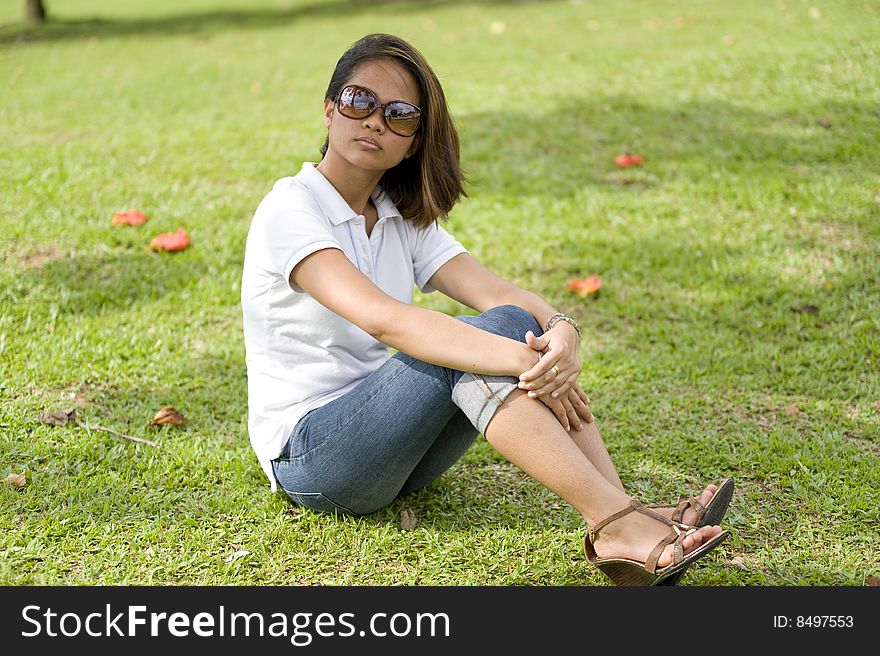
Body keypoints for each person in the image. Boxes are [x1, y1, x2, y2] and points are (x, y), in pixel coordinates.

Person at [241, 33, 733, 586]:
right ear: (330, 110)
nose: (375, 122)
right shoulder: (290, 208)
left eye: (399, 115)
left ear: (413, 141)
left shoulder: (398, 215)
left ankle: (624, 517)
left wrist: (561, 331)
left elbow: (499, 294)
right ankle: (616, 521)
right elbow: (387, 320)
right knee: (488, 343)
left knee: (512, 327)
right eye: (360, 102)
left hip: (396, 453)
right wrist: (525, 358)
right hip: (315, 459)